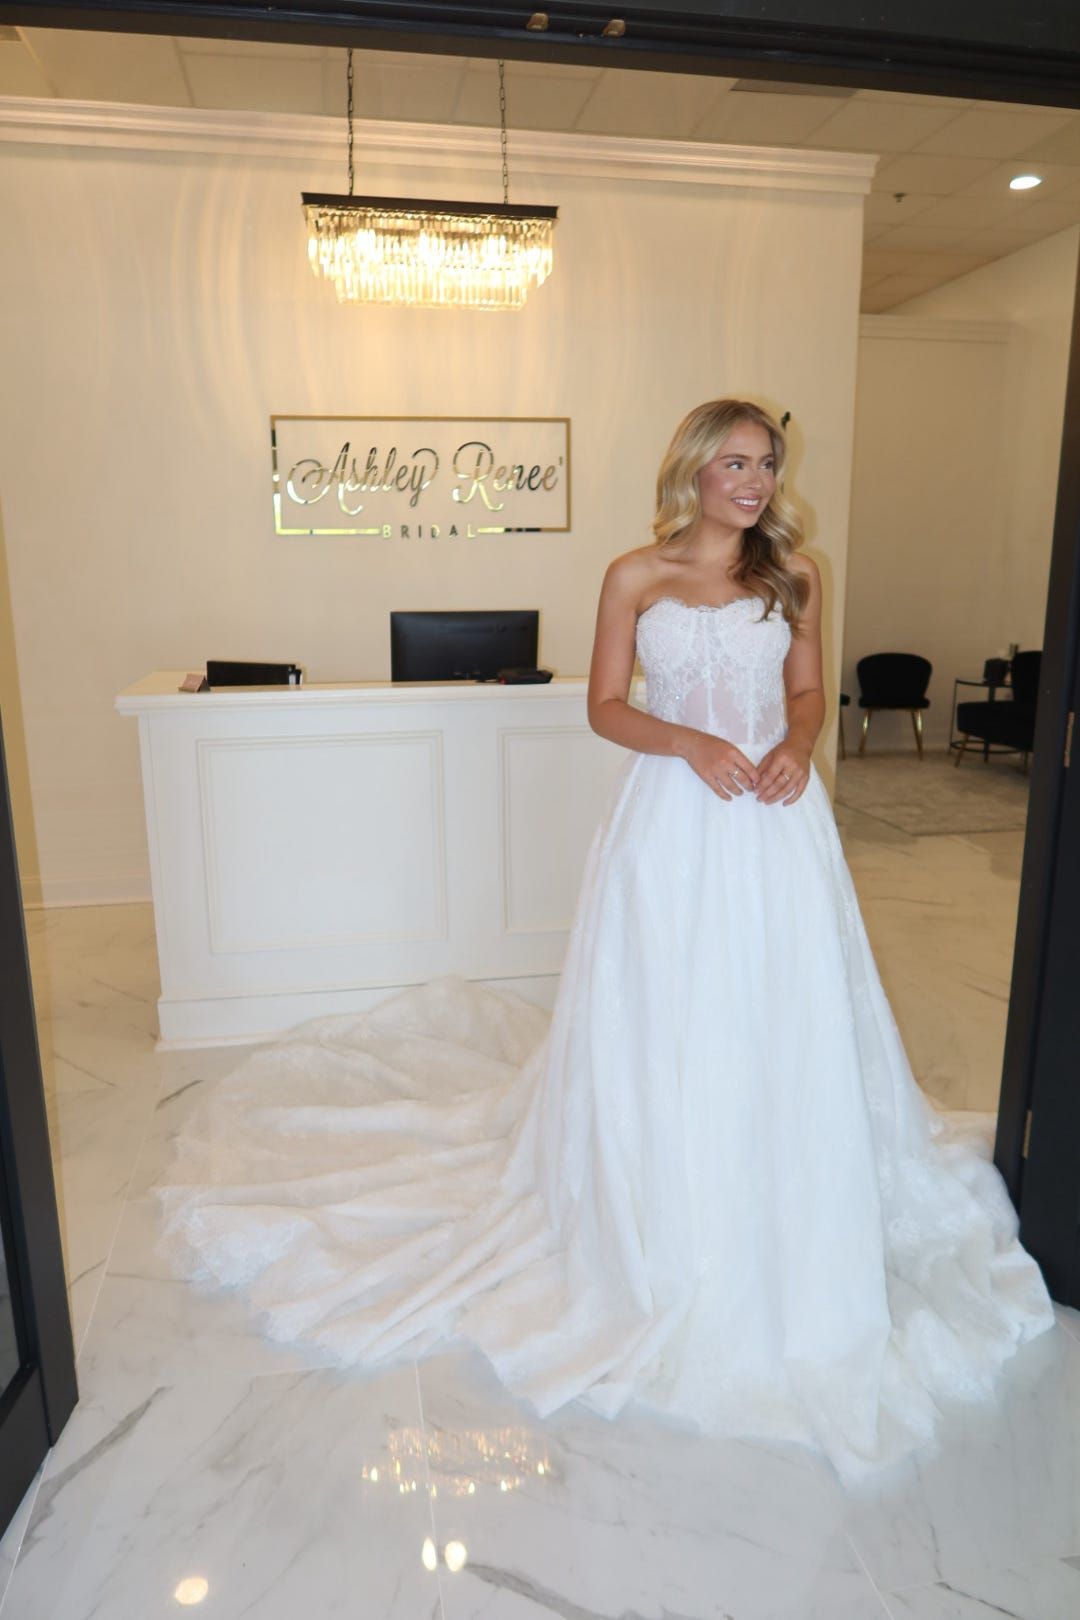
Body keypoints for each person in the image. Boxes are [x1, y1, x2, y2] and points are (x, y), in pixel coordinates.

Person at [155, 397, 1056, 1490]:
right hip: (672, 818)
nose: (756, 481)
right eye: (734, 463)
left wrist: (799, 745)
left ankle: (787, 1172)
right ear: (692, 469)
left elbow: (809, 689)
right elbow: (603, 706)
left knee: (782, 1003)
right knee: (666, 1005)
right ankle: (655, 1198)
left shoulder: (798, 573)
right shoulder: (636, 575)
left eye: (766, 463)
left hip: (777, 823)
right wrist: (691, 743)